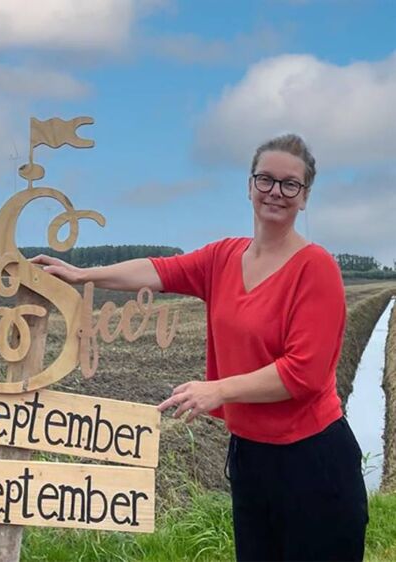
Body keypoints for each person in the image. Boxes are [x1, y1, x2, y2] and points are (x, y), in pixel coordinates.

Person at [32, 133, 368, 561]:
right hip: (250, 456)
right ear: (249, 186)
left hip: (313, 461)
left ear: (304, 198)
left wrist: (219, 390)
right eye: (265, 179)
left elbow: (303, 373)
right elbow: (156, 270)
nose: (275, 192)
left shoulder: (315, 267)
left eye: (290, 184)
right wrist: (83, 275)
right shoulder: (222, 258)